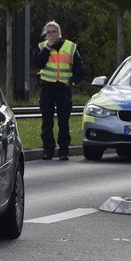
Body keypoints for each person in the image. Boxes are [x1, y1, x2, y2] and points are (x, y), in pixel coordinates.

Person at [31, 21, 84, 160]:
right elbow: (37, 63)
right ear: (45, 34)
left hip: (63, 90)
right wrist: (48, 47)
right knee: (47, 122)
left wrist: (72, 82)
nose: (51, 34)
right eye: (48, 32)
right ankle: (48, 151)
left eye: (54, 31)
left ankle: (63, 151)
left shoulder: (70, 47)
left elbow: (79, 70)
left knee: (63, 122)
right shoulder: (42, 47)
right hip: (47, 89)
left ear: (59, 32)